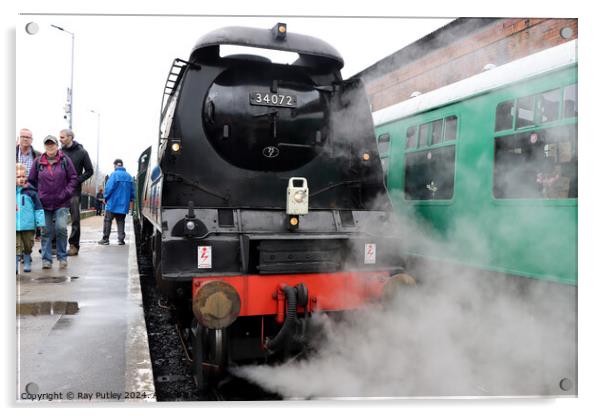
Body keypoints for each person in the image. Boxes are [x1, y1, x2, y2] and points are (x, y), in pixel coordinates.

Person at [28, 135, 78, 269]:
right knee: (45, 231)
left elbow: (73, 178)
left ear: (57, 146)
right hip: (44, 204)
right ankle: (46, 259)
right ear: (45, 146)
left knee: (61, 228)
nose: (50, 146)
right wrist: (37, 196)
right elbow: (31, 181)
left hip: (61, 202)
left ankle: (62, 257)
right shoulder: (38, 162)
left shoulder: (65, 160)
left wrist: (66, 193)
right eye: (47, 144)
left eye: (52, 144)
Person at [59, 129, 94, 256]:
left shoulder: (82, 152)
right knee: (56, 217)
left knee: (75, 219)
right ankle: (55, 246)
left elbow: (90, 171)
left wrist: (77, 180)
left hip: (74, 191)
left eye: (62, 137)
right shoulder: (60, 152)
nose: (60, 139)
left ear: (70, 137)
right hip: (60, 190)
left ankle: (74, 246)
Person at [16, 164, 45, 273]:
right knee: (15, 245)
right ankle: (15, 264)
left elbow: (38, 208)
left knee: (28, 244)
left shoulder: (31, 192)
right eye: (18, 177)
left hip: (28, 224)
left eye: (23, 177)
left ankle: (27, 259)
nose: (21, 179)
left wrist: (40, 223)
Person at [99, 159, 135, 245]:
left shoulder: (114, 175)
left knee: (108, 220)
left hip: (112, 203)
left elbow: (109, 188)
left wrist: (105, 197)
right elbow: (133, 191)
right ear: (122, 165)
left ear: (115, 165)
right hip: (123, 205)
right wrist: (130, 199)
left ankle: (105, 239)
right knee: (121, 221)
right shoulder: (129, 176)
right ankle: (121, 239)